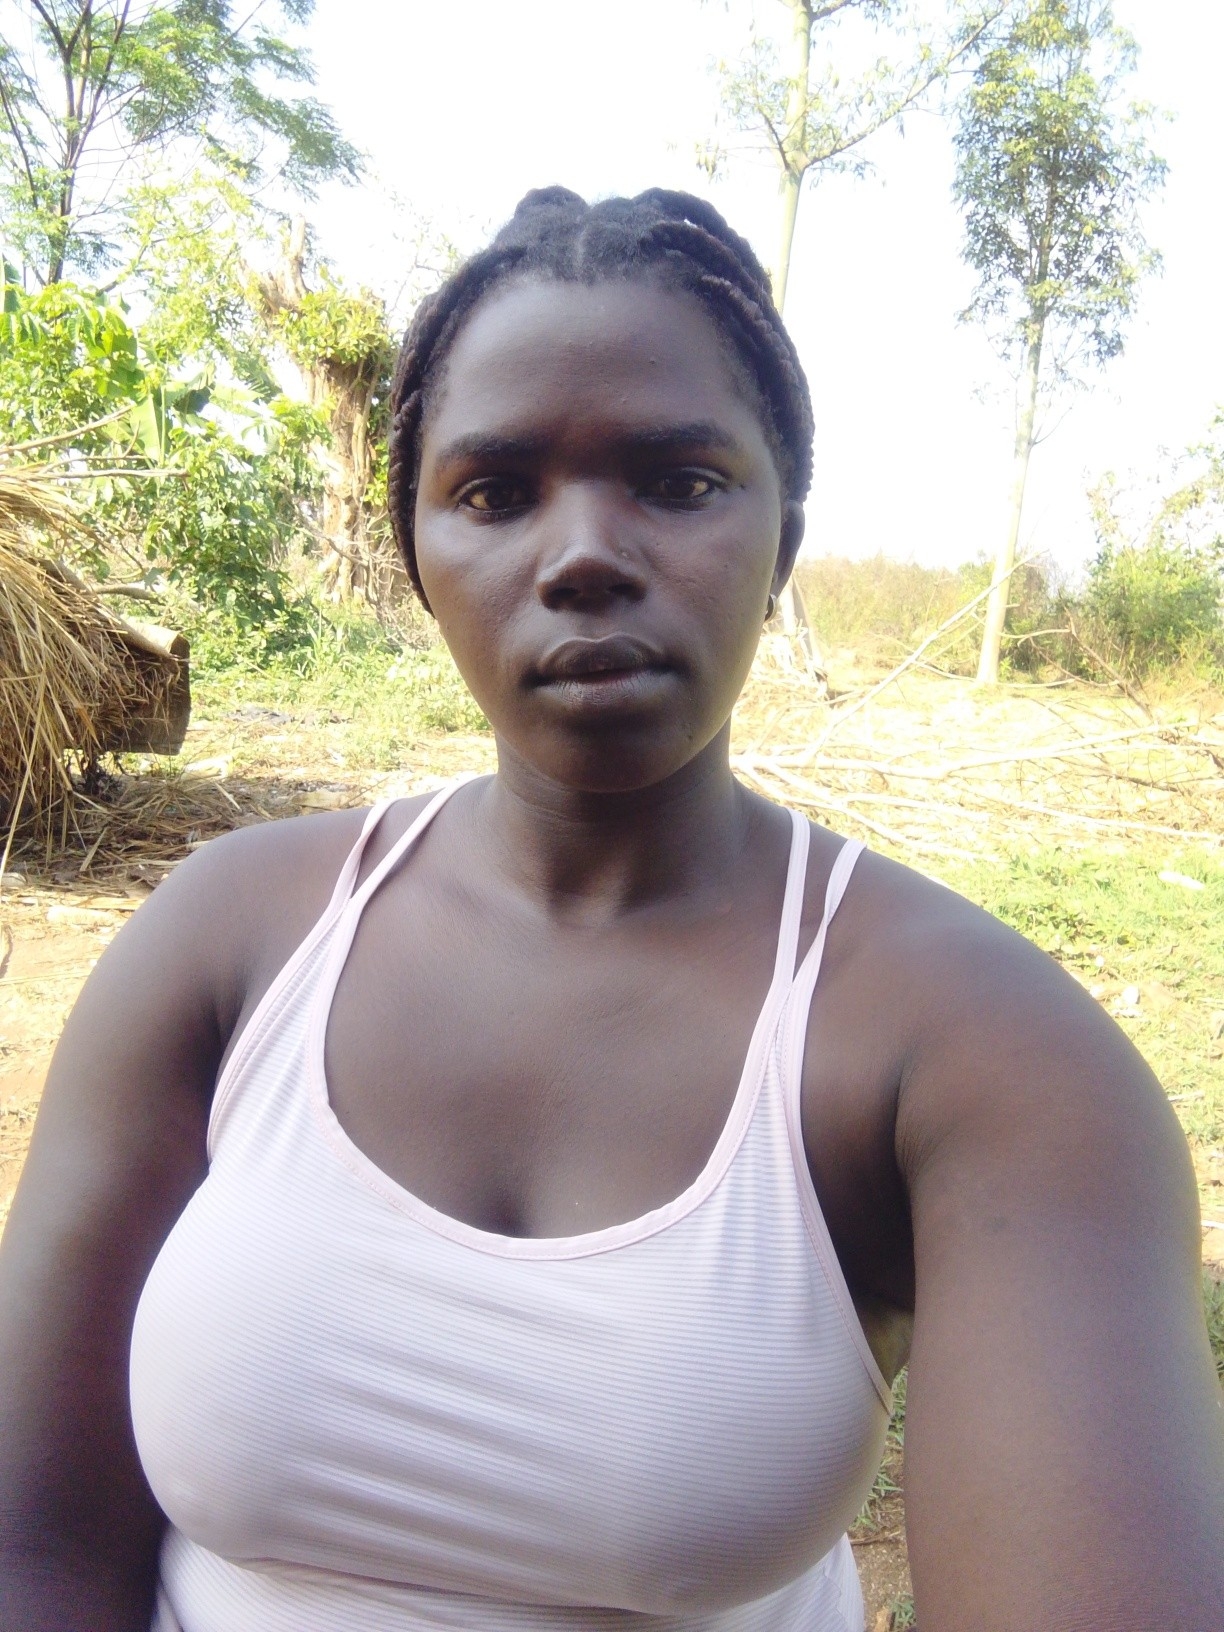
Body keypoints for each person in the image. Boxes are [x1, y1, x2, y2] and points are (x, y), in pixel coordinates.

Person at [0, 187, 1221, 1632]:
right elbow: (35, 1548)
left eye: (680, 481)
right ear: (415, 557)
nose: (581, 554)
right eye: (495, 492)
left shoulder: (981, 1051)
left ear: (781, 545)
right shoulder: (231, 939)